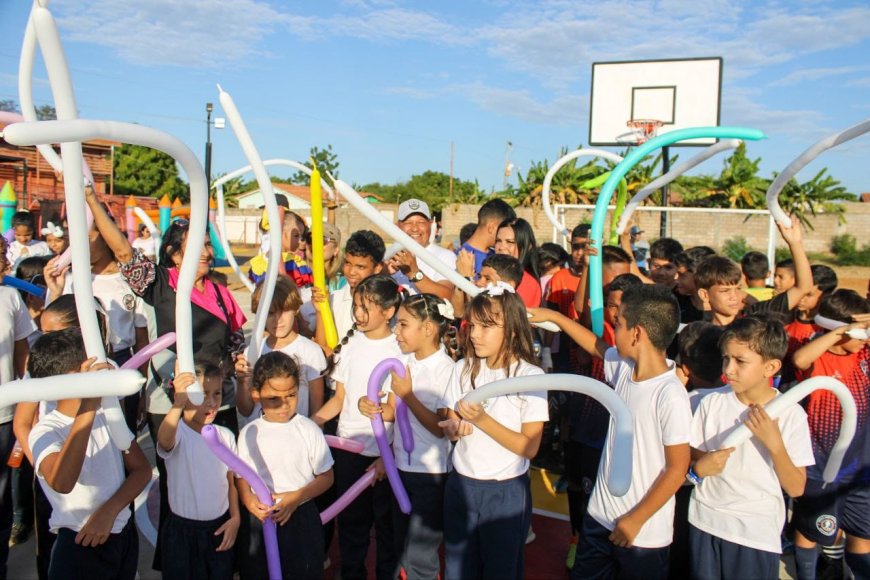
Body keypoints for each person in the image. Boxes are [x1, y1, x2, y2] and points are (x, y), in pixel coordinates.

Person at [83, 186, 247, 569]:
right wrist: (92, 201)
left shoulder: (222, 294)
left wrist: (234, 369)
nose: (205, 252)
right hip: (171, 404)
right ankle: (178, 562)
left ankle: (221, 556)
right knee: (177, 485)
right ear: (175, 255)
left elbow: (235, 342)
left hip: (216, 402)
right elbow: (123, 252)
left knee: (218, 480)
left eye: (207, 245)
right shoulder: (162, 284)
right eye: (195, 246)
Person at [530, 284, 692, 579]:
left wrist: (635, 519)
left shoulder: (670, 394)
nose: (612, 330)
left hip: (641, 534)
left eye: (618, 324)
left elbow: (677, 468)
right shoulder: (625, 367)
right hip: (600, 518)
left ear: (637, 333)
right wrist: (555, 317)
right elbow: (596, 346)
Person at [688, 317, 814, 580]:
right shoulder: (711, 403)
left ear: (771, 367)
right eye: (726, 359)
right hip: (704, 520)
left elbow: (796, 487)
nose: (729, 369)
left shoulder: (791, 416)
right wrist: (700, 466)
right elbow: (693, 458)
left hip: (753, 531)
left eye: (740, 361)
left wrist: (775, 445)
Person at [439, 285, 548, 578]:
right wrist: (453, 429)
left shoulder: (530, 376)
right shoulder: (462, 368)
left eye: (487, 326)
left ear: (512, 329)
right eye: (472, 325)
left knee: (501, 569)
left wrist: (482, 420)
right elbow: (451, 420)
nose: (475, 334)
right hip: (461, 485)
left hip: (506, 492)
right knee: (458, 569)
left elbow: (529, 447)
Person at [28, 328, 150, 580]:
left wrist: (110, 511)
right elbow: (62, 482)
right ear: (75, 375)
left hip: (121, 533)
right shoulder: (44, 432)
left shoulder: (107, 415)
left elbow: (141, 469)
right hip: (79, 545)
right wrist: (89, 404)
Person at [358, 293, 457, 579]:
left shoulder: (446, 370)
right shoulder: (403, 363)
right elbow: (392, 411)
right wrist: (369, 407)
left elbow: (441, 428)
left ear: (428, 329)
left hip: (431, 475)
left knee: (420, 556)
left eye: (403, 325)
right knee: (397, 546)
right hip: (399, 468)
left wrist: (408, 395)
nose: (396, 332)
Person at [312, 274, 404, 580]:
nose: (359, 314)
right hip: (348, 451)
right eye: (357, 306)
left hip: (383, 458)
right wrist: (313, 424)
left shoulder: (399, 349)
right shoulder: (351, 345)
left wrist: (385, 456)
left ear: (389, 311)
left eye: (367, 307)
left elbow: (399, 411)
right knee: (351, 526)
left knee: (387, 530)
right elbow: (339, 399)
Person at [791, 290, 870, 580]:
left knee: (862, 535)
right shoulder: (817, 354)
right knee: (811, 530)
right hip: (820, 467)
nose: (863, 337)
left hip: (861, 467)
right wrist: (841, 333)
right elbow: (799, 360)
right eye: (860, 332)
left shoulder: (865, 353)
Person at [236, 352, 334, 580]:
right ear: (256, 394)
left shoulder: (308, 429)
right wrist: (248, 500)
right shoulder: (250, 432)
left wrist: (295, 498)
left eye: (291, 395)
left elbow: (326, 477)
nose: (284, 405)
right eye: (273, 398)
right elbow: (240, 475)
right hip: (261, 519)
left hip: (300, 517)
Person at [156, 361, 240, 579]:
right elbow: (164, 440)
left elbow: (230, 481)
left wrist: (235, 517)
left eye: (217, 394)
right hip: (181, 534)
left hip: (218, 529)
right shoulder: (179, 433)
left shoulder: (225, 435)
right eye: (202, 395)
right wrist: (178, 403)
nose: (211, 402)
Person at [236, 277, 327, 420]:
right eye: (270, 313)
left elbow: (317, 410)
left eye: (284, 311)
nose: (278, 320)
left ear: (296, 309)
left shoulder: (311, 351)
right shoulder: (252, 352)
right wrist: (242, 383)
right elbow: (245, 410)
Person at [0, 255, 37, 576]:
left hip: (4, 412)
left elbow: (22, 352)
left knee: (1, 493)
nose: (5, 262)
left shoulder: (10, 297)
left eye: (3, 254)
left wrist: (27, 402)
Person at [314, 229, 385, 348]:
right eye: (347, 263)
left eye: (360, 267)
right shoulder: (333, 299)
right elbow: (321, 347)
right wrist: (320, 311)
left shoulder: (388, 302)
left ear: (377, 268)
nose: (351, 272)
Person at [387, 199, 456, 300]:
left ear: (430, 224)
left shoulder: (446, 256)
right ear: (398, 226)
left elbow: (446, 296)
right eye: (408, 222)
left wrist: (413, 273)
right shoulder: (387, 255)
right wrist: (385, 273)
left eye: (421, 222)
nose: (415, 228)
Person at [247, 211, 313, 289]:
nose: (300, 241)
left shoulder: (260, 263)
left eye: (301, 236)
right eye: (296, 235)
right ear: (279, 232)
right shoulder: (292, 263)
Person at [457, 199, 516, 277]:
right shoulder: (461, 258)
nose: (505, 232)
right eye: (503, 227)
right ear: (492, 227)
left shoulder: (496, 254)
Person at [494, 217, 541, 308]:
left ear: (528, 246)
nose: (501, 247)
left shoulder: (528, 283)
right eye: (498, 241)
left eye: (510, 242)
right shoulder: (487, 271)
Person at [674, 247, 717, 324]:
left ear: (700, 276)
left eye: (682, 275)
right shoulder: (675, 302)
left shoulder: (722, 307)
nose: (676, 279)